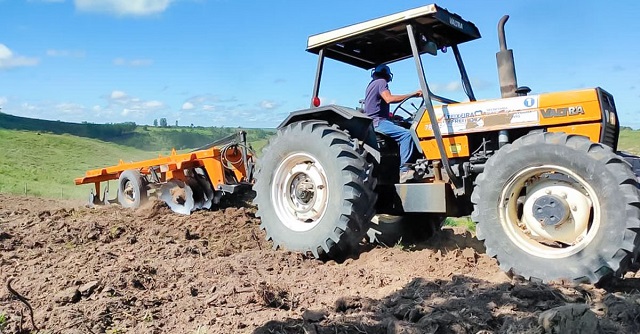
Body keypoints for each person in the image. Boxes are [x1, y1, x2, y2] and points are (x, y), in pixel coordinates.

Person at [364, 64, 422, 183]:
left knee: (406, 125)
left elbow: (377, 105)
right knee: (407, 135)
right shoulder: (381, 82)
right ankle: (404, 170)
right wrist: (413, 94)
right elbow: (389, 99)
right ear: (388, 75)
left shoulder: (371, 84)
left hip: (378, 120)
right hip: (378, 122)